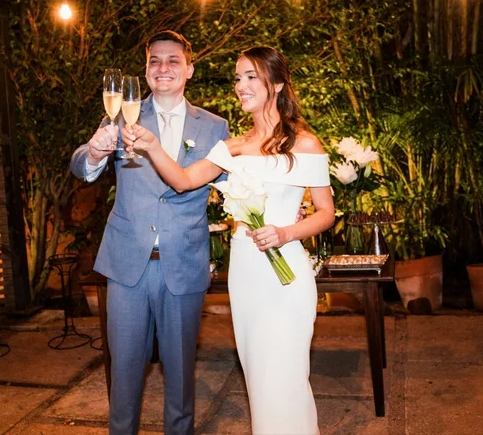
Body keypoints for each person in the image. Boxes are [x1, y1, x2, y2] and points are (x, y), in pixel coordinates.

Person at [123, 46, 335, 435]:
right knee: (258, 379)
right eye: (238, 78)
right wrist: (153, 146)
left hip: (286, 275)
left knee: (285, 377)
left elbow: (326, 213)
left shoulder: (305, 144)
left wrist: (286, 231)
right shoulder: (233, 146)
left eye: (251, 76)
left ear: (277, 84)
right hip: (246, 273)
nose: (241, 86)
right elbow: (184, 180)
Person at [70, 30, 231, 435]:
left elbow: (236, 184)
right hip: (127, 266)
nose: (163, 68)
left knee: (180, 378)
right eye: (154, 61)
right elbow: (81, 166)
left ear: (189, 69)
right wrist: (93, 151)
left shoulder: (214, 126)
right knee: (123, 376)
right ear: (145, 70)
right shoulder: (122, 115)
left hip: (183, 263)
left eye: (173, 60)